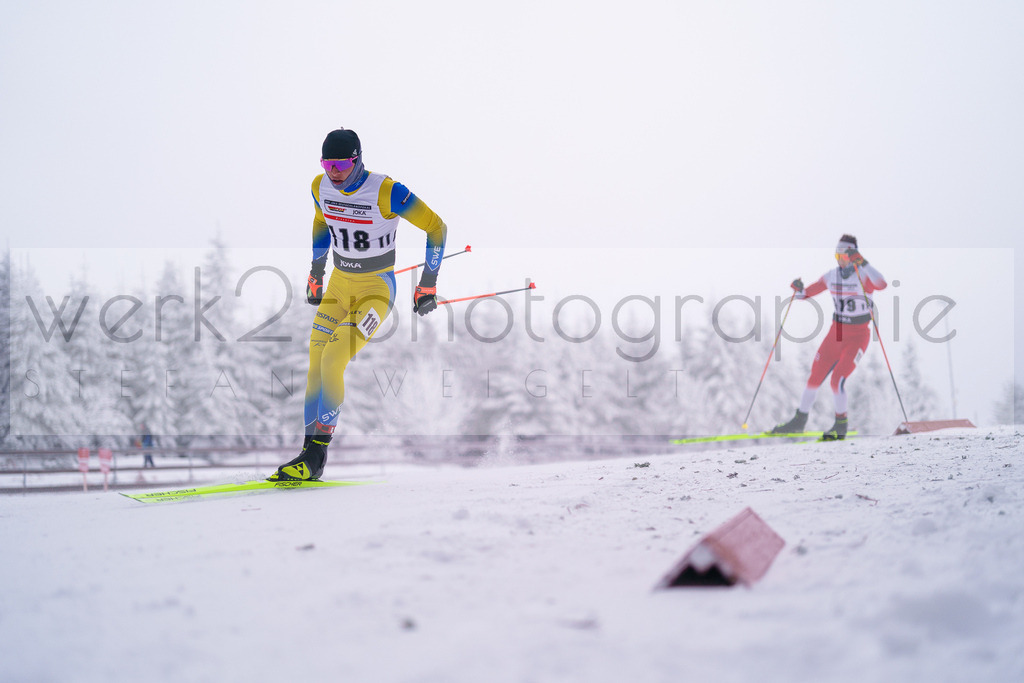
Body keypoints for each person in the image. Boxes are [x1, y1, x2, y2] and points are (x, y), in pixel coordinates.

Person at [268, 128, 448, 481]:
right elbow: (322, 221)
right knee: (316, 363)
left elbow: (437, 228)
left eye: (340, 164)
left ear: (357, 159)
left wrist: (427, 285)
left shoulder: (386, 191)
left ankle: (318, 455)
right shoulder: (319, 186)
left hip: (376, 290)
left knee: (335, 359)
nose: (334, 172)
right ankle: (307, 452)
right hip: (338, 285)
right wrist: (316, 273)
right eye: (327, 163)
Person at [770, 234, 887, 440]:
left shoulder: (864, 275)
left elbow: (882, 284)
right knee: (815, 375)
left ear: (853, 256)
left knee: (837, 379)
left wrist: (863, 261)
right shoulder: (832, 276)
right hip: (836, 333)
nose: (841, 261)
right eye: (837, 256)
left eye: (845, 256)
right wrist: (798, 288)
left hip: (858, 336)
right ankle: (799, 421)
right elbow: (804, 295)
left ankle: (840, 425)